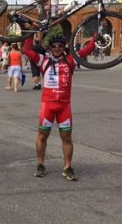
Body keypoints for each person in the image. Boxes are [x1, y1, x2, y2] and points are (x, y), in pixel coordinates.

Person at [23, 33, 95, 181]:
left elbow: (86, 51)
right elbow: (27, 50)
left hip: (64, 107)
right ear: (49, 48)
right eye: (54, 46)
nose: (57, 49)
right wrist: (30, 33)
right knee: (42, 136)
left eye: (60, 46)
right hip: (47, 106)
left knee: (67, 138)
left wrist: (94, 39)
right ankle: (40, 164)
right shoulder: (44, 60)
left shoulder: (70, 60)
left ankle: (67, 167)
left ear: (64, 47)